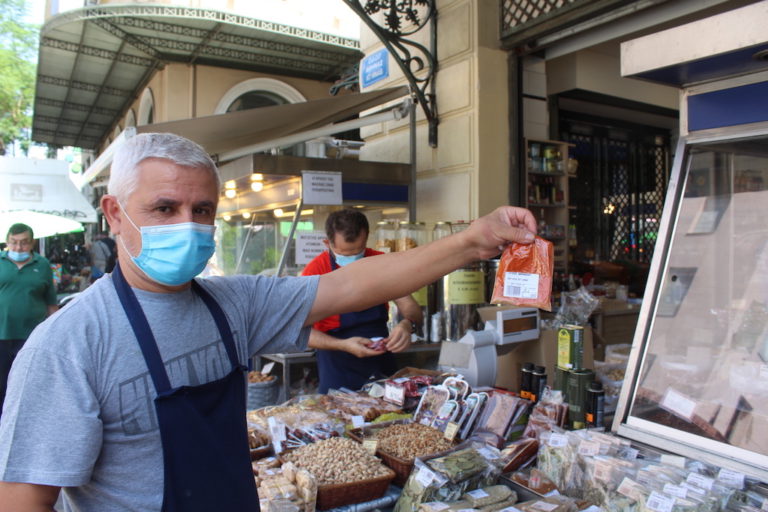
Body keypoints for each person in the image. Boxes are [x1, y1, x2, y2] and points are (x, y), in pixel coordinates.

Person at [0, 133, 537, 511]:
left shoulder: (233, 304)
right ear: (115, 214)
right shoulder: (67, 346)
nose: (188, 226)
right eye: (164, 209)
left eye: (203, 210)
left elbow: (358, 283)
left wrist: (473, 239)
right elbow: (24, 499)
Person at [302, 209, 424, 393]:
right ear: (327, 243)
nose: (352, 258)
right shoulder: (315, 272)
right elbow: (300, 330)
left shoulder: (380, 263)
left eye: (358, 251)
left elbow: (412, 309)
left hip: (381, 359)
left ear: (366, 238)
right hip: (337, 364)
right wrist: (342, 345)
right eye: (344, 253)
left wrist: (407, 325)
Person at [0, 224, 58, 421]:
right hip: (1, 335)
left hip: (32, 339)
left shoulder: (42, 265)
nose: (18, 248)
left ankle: (26, 421)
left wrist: (54, 335)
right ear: (7, 242)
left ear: (31, 243)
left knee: (27, 383)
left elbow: (51, 303)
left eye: (23, 243)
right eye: (14, 243)